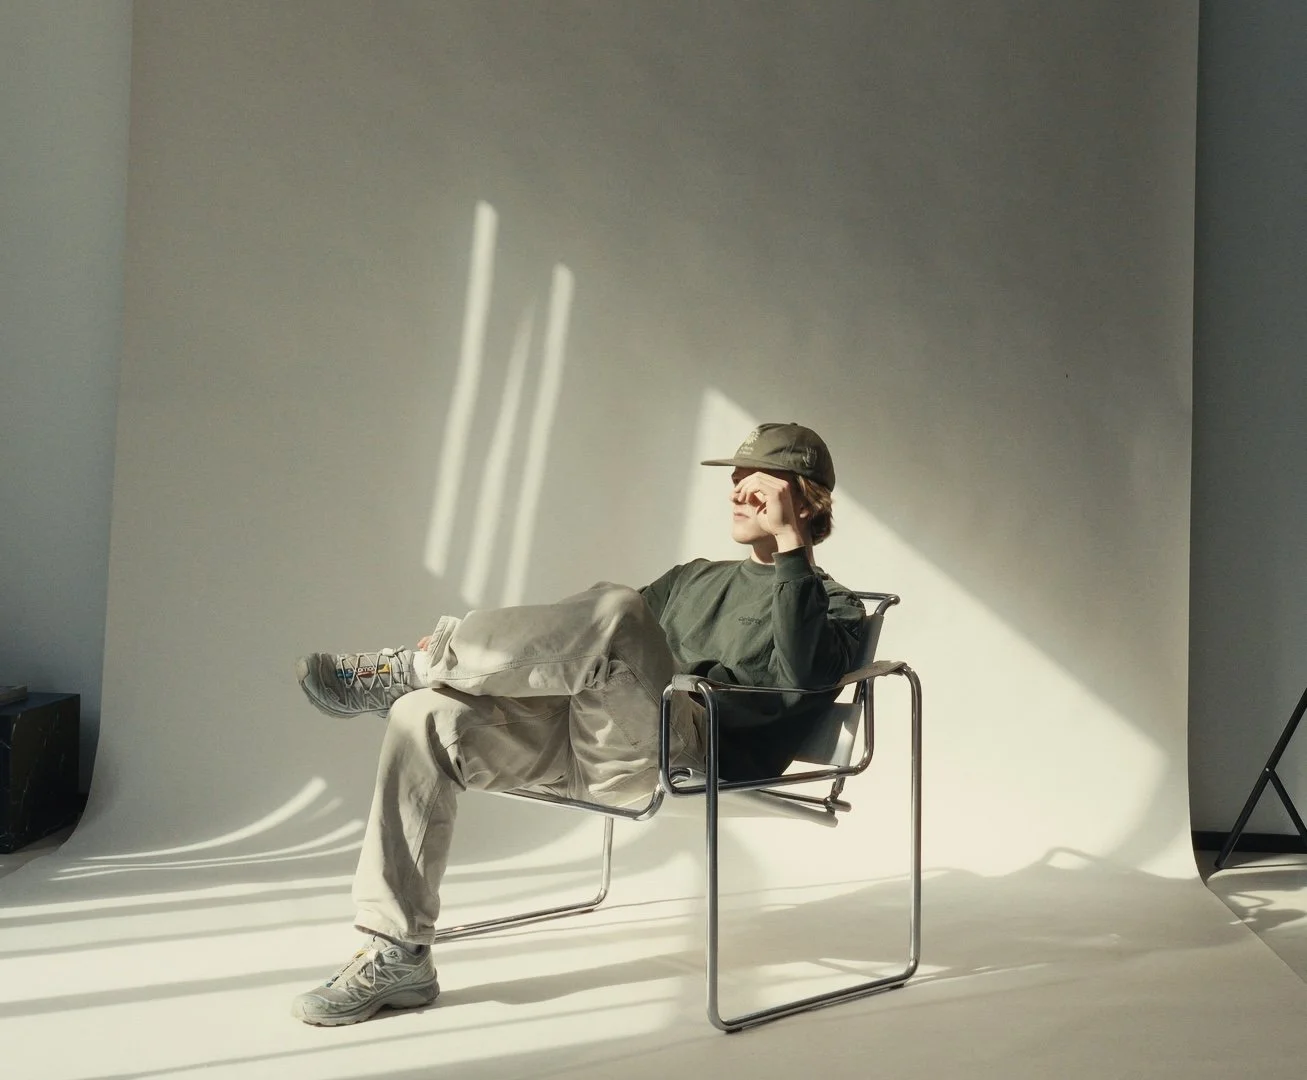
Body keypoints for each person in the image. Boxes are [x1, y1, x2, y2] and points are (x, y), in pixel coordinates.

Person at [290, 422, 866, 1025]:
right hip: (588, 739)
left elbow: (803, 678)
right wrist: (475, 675)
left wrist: (792, 547)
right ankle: (398, 952)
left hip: (691, 756)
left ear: (805, 500)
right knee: (425, 715)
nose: (739, 491)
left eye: (761, 483)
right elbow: (582, 644)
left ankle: (413, 667)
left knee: (619, 608)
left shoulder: (836, 606)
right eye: (737, 478)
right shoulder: (695, 577)